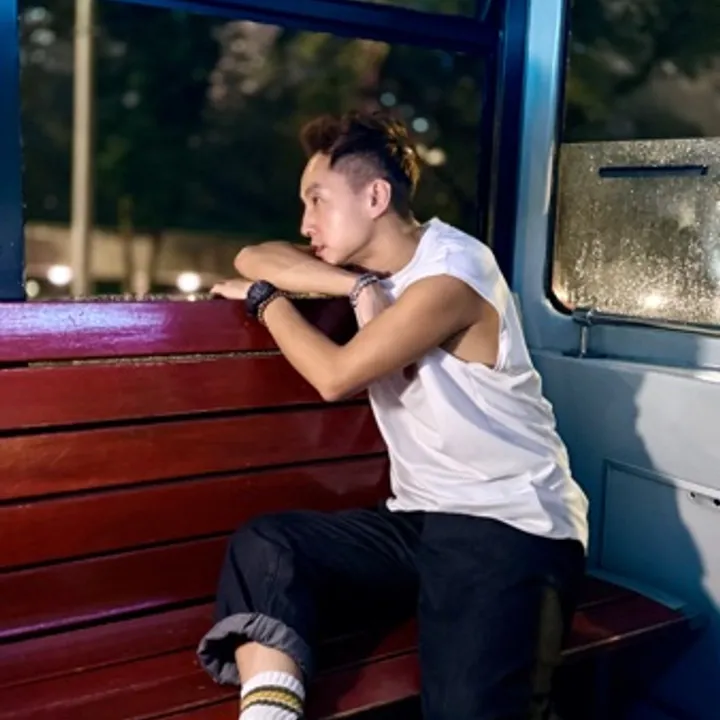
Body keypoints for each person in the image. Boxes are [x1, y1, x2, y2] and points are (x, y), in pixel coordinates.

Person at [199, 110, 589, 720]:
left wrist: (266, 303)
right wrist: (354, 288)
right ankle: (271, 711)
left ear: (375, 197)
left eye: (317, 200)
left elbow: (334, 377)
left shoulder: (453, 272)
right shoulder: (373, 272)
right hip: (419, 519)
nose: (305, 222)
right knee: (269, 544)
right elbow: (254, 254)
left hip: (509, 526)